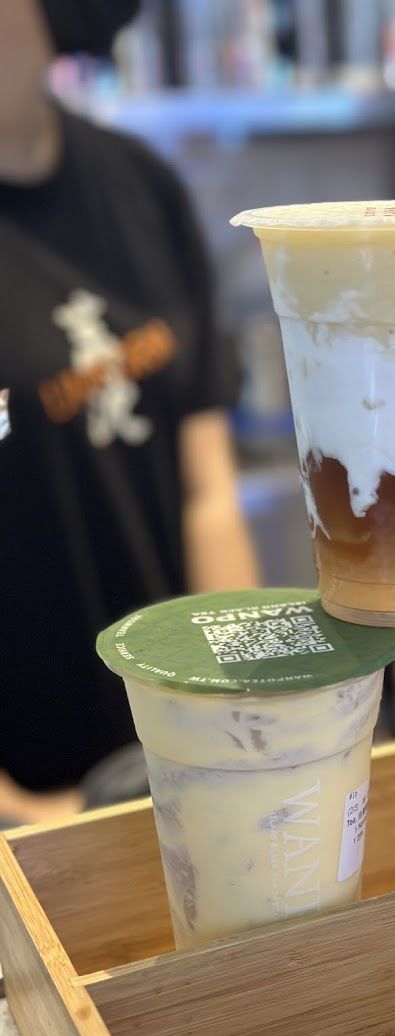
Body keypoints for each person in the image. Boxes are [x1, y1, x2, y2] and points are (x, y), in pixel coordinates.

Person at [0, 0, 260, 823]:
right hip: (32, 792)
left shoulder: (140, 184)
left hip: (177, 759)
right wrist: (24, 816)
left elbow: (206, 493)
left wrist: (237, 712)